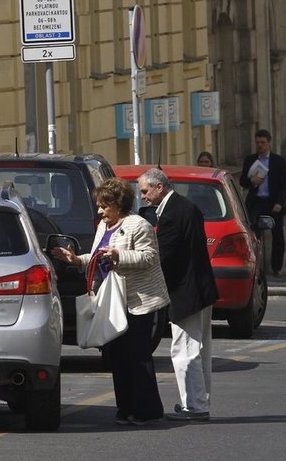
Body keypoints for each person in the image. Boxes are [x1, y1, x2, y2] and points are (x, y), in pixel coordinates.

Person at [52, 177, 170, 426]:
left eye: (104, 206)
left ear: (118, 204)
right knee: (116, 356)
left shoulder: (139, 225)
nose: (100, 211)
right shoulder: (103, 227)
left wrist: (119, 255)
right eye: (99, 206)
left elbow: (149, 257)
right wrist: (75, 260)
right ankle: (125, 408)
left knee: (138, 356)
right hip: (111, 300)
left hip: (137, 301)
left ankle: (147, 410)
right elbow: (96, 257)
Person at [139, 168, 218, 422]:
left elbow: (165, 258)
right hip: (200, 289)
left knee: (184, 350)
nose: (142, 197)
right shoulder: (185, 206)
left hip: (186, 292)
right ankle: (199, 401)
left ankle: (194, 406)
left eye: (144, 191)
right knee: (199, 348)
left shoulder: (173, 213)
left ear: (159, 187)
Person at [240, 129, 286, 275]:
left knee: (278, 237)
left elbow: (284, 184)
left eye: (263, 142)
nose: (260, 145)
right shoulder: (250, 160)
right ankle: (256, 266)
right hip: (256, 202)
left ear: (268, 143)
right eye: (257, 143)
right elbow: (243, 181)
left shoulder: (278, 161)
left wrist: (280, 202)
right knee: (254, 235)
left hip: (273, 203)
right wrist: (251, 182)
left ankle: (276, 268)